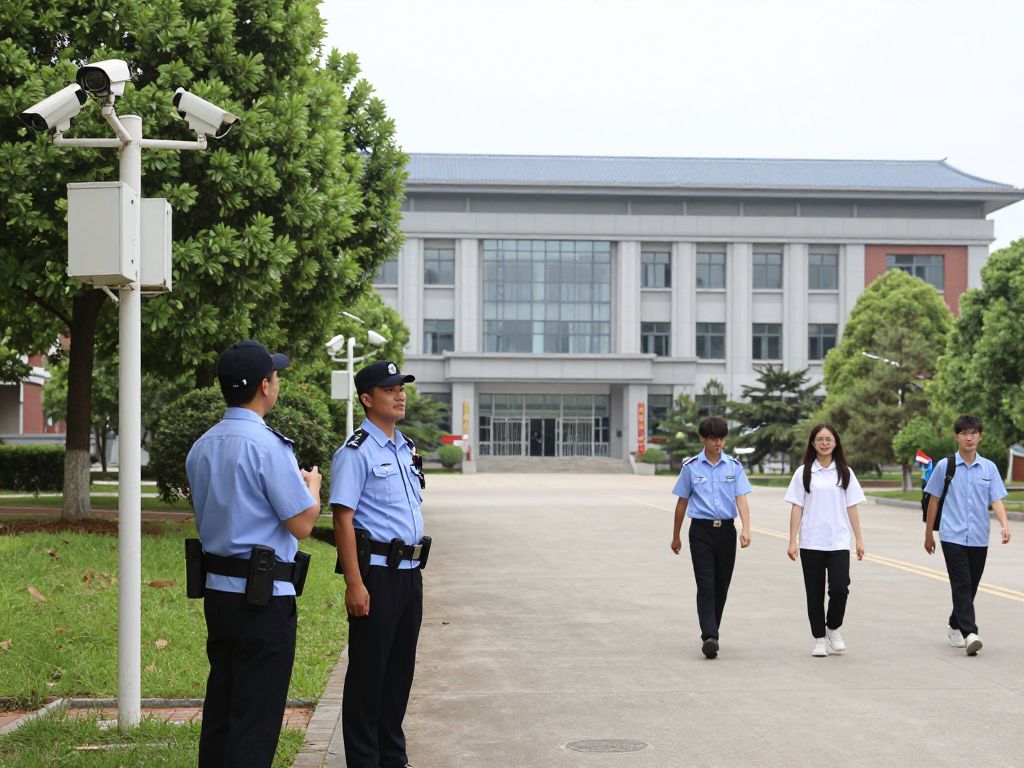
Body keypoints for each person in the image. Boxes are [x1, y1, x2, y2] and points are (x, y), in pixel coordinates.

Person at [185, 340, 322, 768]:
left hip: (218, 593)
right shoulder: (269, 446)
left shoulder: (202, 446)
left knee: (223, 709)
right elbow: (301, 523)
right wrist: (312, 488)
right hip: (263, 600)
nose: (278, 382)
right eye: (276, 376)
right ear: (265, 386)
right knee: (256, 718)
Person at [330, 360, 429, 768]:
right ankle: (364, 760)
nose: (400, 394)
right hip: (377, 576)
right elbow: (343, 518)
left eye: (401, 388)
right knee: (368, 677)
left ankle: (393, 757)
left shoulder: (404, 447)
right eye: (390, 389)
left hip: (409, 575)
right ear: (368, 399)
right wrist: (355, 583)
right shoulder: (355, 452)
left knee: (399, 673)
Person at [924, 415, 1011, 656]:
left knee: (970, 585)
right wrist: (929, 533)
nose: (969, 437)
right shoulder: (945, 466)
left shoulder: (989, 468)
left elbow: (996, 499)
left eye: (973, 432)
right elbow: (933, 500)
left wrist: (1004, 524)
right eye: (964, 433)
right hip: (952, 535)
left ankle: (954, 624)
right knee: (962, 583)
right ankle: (970, 632)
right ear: (956, 437)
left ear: (980, 436)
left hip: (979, 537)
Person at [670, 416, 752, 659]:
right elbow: (681, 503)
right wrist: (676, 536)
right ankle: (709, 636)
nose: (719, 443)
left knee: (721, 585)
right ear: (703, 439)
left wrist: (746, 528)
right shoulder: (691, 467)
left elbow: (742, 499)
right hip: (701, 532)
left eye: (722, 438)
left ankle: (712, 628)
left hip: (726, 531)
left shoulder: (734, 467)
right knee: (706, 584)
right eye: (714, 438)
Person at [784, 424, 866, 657]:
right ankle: (819, 638)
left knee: (840, 588)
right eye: (820, 439)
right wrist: (792, 540)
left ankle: (833, 628)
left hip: (838, 541)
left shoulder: (845, 472)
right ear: (813, 443)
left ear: (836, 442)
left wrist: (859, 539)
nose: (824, 443)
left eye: (828, 439)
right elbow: (797, 507)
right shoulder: (804, 472)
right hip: (811, 541)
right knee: (814, 592)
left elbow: (852, 507)